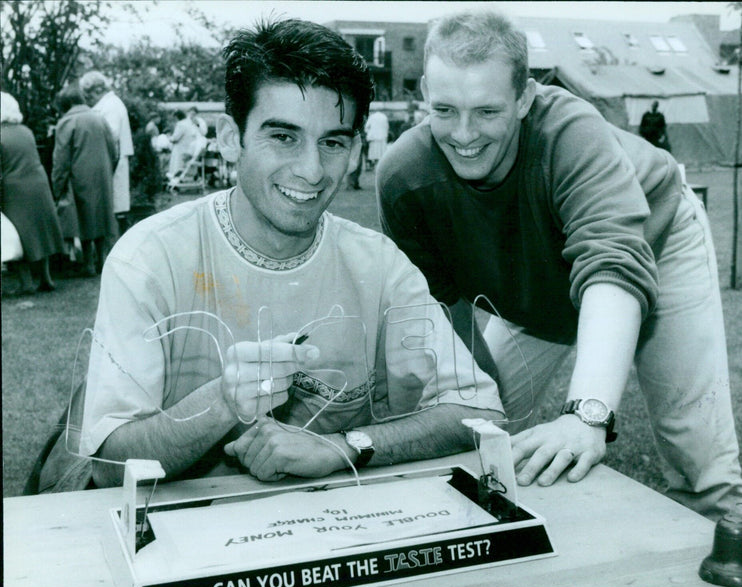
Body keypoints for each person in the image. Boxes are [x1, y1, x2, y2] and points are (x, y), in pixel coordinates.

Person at [79, 18, 503, 488]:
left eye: (332, 142)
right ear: (228, 137)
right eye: (283, 137)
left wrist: (344, 446)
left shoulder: (380, 266)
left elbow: (481, 411)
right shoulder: (148, 259)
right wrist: (222, 402)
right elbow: (108, 463)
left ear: (357, 149)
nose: (311, 170)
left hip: (334, 538)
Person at [377, 11, 742, 521]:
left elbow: (612, 263)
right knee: (476, 429)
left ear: (526, 97)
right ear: (424, 92)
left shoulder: (569, 131)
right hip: (543, 293)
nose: (463, 134)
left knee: (698, 456)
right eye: (445, 109)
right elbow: (444, 318)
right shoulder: (403, 175)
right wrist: (468, 402)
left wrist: (586, 414)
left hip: (653, 251)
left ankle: (729, 561)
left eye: (487, 111)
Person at [51, 85, 118, 277]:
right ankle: (103, 260)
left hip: (79, 175)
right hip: (103, 174)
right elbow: (114, 150)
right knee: (101, 215)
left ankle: (88, 263)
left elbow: (61, 159)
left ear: (65, 104)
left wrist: (57, 185)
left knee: (84, 218)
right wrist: (108, 171)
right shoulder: (100, 118)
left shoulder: (67, 122)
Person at [0, 92, 62, 294]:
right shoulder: (25, 131)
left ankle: (26, 283)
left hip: (14, 188)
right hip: (38, 183)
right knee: (39, 231)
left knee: (17, 234)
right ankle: (46, 278)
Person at [79, 70, 134, 237]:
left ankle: (115, 249)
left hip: (112, 165)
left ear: (97, 90)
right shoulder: (108, 104)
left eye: (89, 97)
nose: (88, 101)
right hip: (111, 164)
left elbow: (109, 137)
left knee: (114, 211)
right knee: (114, 209)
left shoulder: (111, 106)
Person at [166, 109, 204, 182]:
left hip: (179, 148)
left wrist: (169, 138)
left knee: (176, 166)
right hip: (188, 148)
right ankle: (183, 181)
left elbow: (176, 138)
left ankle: (175, 182)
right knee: (184, 167)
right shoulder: (189, 123)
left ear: (177, 117)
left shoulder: (180, 124)